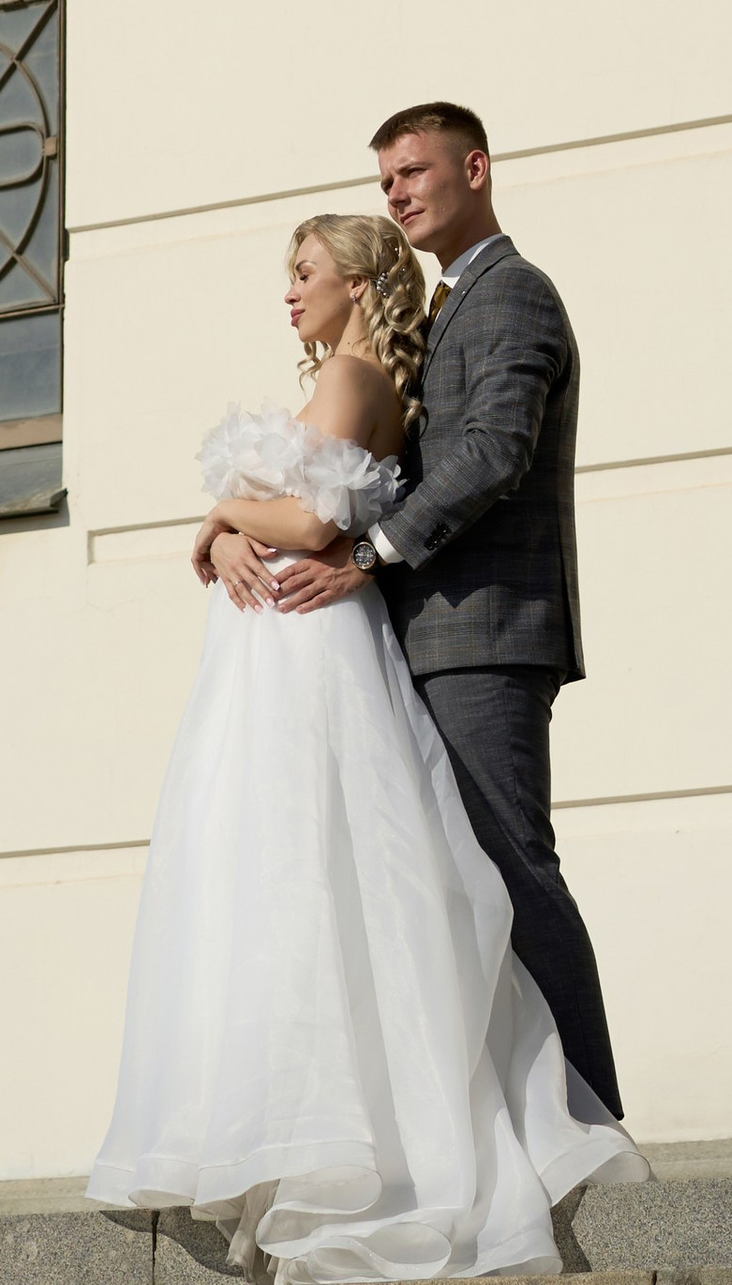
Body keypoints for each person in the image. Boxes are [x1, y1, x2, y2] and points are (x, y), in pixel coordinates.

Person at [88, 202, 640, 1279]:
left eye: (306, 271)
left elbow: (317, 527)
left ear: (355, 283)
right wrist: (225, 521)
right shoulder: (363, 379)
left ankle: (403, 1131)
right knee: (325, 875)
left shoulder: (355, 380)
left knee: (325, 870)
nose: (289, 289)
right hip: (291, 641)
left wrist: (224, 516)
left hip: (304, 640)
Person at [270, 103, 623, 1125]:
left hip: (483, 635)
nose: (398, 193)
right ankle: (515, 1126)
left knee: (513, 873)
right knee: (455, 893)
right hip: (418, 637)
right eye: (385, 181)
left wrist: (369, 554)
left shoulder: (513, 296)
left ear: (475, 168)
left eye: (415, 171)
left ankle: (594, 1127)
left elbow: (491, 455)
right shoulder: (441, 311)